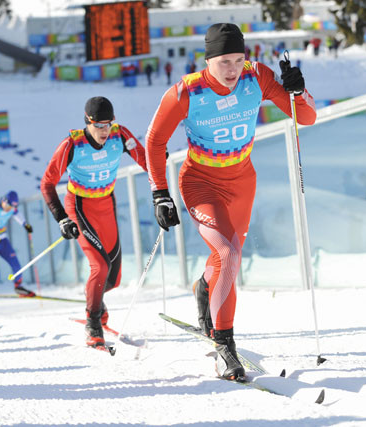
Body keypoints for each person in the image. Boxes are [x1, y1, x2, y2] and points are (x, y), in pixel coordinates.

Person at [145, 23, 317, 380]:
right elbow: (154, 142)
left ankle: (204, 288)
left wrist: (298, 91)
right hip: (200, 182)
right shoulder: (186, 92)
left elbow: (308, 117)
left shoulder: (258, 78)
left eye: (239, 59)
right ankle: (224, 347)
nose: (233, 68)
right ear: (207, 60)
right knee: (229, 254)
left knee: (225, 255)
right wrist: (160, 192)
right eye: (224, 61)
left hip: (242, 181)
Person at [40, 96, 147, 348]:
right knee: (99, 266)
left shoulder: (119, 136)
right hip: (79, 207)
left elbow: (144, 158)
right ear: (87, 123)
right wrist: (62, 218)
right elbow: (47, 183)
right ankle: (93, 323)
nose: (104, 131)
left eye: (108, 124)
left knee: (113, 278)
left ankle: (96, 300)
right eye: (98, 126)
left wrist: (157, 157)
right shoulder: (71, 144)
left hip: (106, 204)